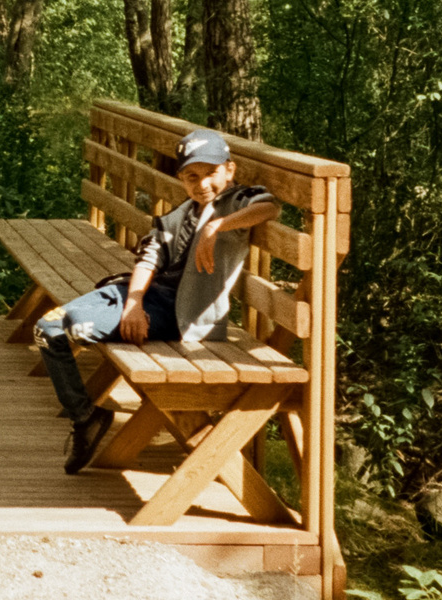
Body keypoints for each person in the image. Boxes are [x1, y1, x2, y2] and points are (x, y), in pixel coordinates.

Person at [38, 128, 277, 474]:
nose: (202, 184)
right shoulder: (183, 212)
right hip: (140, 296)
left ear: (230, 169)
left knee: (75, 325)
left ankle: (86, 417)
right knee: (46, 329)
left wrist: (217, 227)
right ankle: (86, 417)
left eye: (211, 172)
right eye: (191, 176)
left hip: (180, 314)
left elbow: (268, 207)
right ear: (181, 179)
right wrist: (133, 303)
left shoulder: (236, 201)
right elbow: (149, 256)